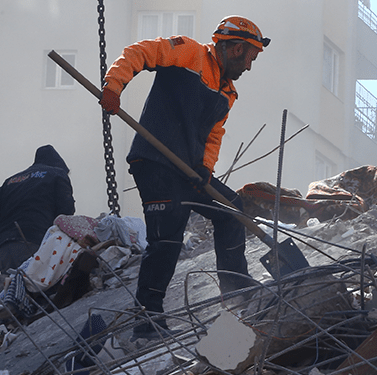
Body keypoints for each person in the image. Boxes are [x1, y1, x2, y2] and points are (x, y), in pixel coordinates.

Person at [99, 17, 268, 337]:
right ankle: (147, 319)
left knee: (231, 209)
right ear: (235, 48)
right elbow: (140, 52)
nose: (249, 67)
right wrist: (114, 85)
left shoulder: (227, 92)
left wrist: (205, 167)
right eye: (250, 58)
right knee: (168, 233)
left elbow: (213, 135)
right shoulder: (188, 53)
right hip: (155, 162)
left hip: (188, 171)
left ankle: (236, 291)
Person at [0, 145, 75, 274]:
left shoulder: (10, 181)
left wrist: (7, 229)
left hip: (5, 247)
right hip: (35, 242)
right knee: (41, 289)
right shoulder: (57, 174)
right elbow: (66, 213)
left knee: (13, 289)